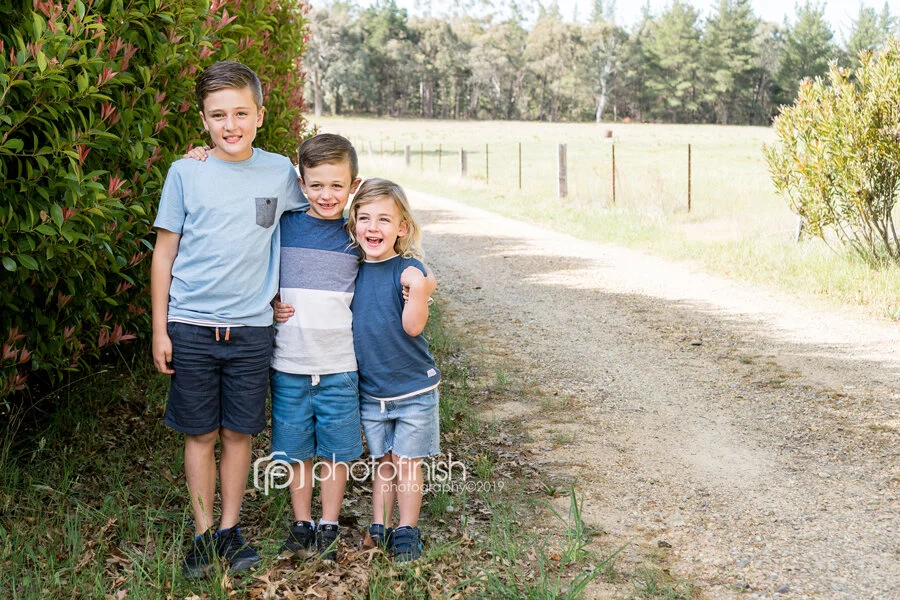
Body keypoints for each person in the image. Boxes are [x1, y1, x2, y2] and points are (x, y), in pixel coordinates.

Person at [151, 60, 307, 579]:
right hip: (191, 327)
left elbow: (316, 221)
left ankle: (229, 529)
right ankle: (201, 534)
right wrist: (159, 328)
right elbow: (164, 255)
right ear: (203, 120)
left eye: (241, 112)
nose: (231, 124)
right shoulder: (186, 172)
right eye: (219, 115)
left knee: (238, 433)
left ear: (260, 115)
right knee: (199, 434)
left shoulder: (280, 171)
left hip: (252, 329)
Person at [268, 133, 364, 562]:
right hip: (288, 359)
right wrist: (267, 302)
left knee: (337, 449)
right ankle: (301, 522)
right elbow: (257, 267)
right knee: (296, 448)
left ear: (353, 185)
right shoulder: (284, 225)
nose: (327, 195)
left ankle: (329, 523)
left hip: (340, 363)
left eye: (337, 185)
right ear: (301, 183)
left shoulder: (357, 234)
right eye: (317, 185)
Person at [346, 178, 440, 562]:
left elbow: (414, 327)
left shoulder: (408, 270)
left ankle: (407, 531)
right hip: (372, 392)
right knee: (382, 463)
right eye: (364, 218)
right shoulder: (350, 269)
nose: (373, 227)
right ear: (353, 224)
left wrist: (419, 290)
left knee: (406, 463)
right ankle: (380, 527)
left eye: (384, 219)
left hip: (413, 389)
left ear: (402, 227)